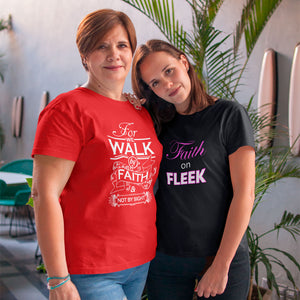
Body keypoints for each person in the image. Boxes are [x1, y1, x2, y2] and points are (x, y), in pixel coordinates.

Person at [31, 10, 162, 300]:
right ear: (84, 56)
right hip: (91, 268)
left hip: (140, 260)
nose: (114, 54)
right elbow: (43, 195)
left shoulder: (140, 111)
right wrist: (57, 278)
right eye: (102, 46)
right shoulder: (67, 110)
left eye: (122, 45)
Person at [130, 39, 256, 300]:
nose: (167, 84)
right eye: (155, 83)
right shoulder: (154, 124)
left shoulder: (229, 115)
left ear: (183, 62)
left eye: (168, 71)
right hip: (166, 261)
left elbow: (245, 194)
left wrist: (221, 265)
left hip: (221, 257)